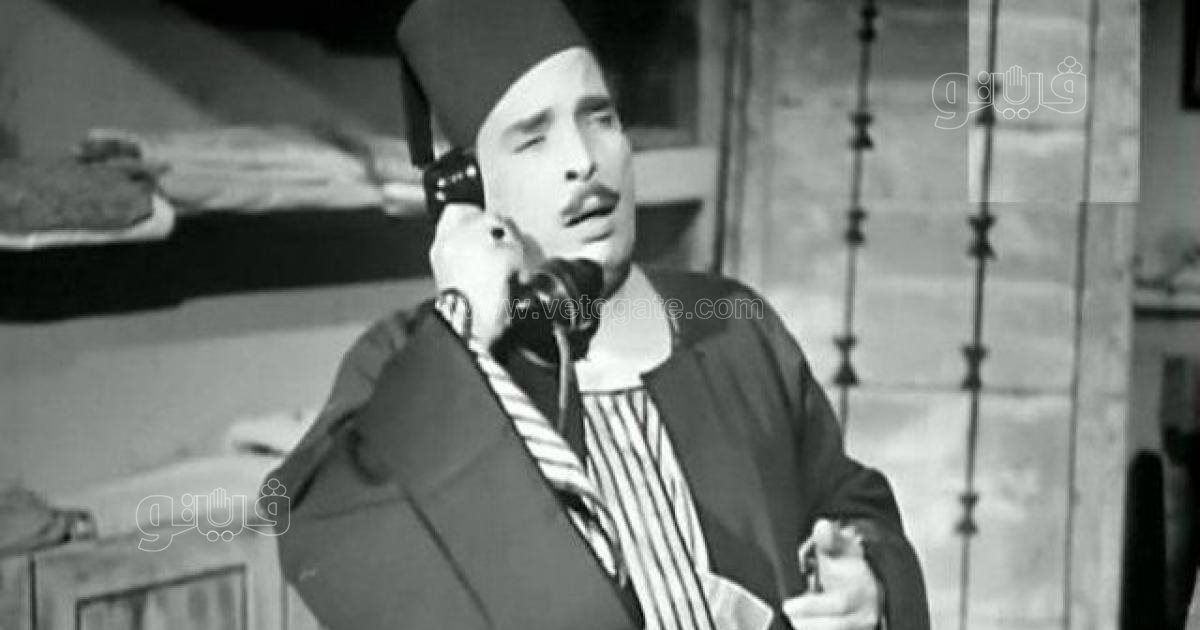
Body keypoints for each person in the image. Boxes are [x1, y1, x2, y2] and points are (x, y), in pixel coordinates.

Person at [269, 0, 929, 628]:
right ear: (467, 193)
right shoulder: (411, 357)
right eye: (533, 139)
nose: (584, 161)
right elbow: (326, 535)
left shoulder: (728, 319)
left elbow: (846, 495)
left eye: (600, 118)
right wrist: (463, 328)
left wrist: (869, 583)